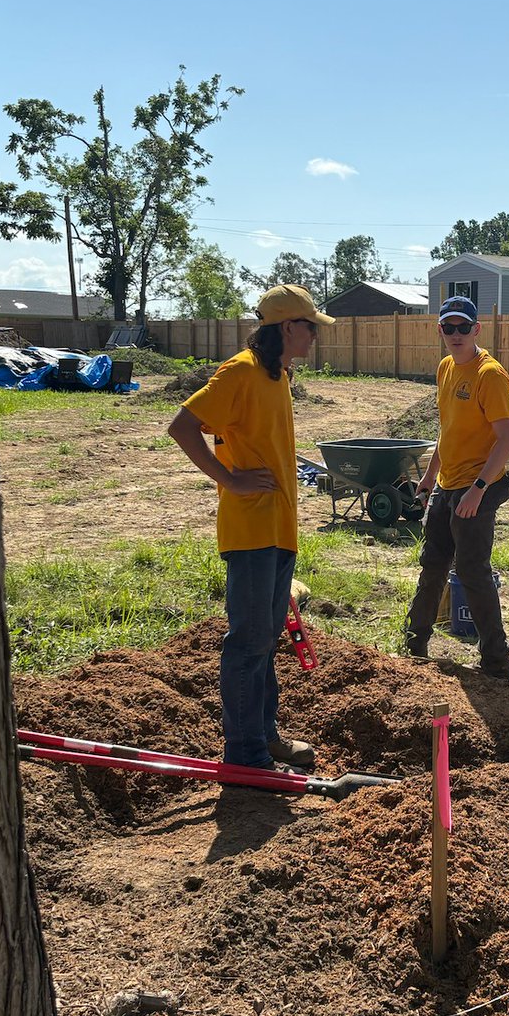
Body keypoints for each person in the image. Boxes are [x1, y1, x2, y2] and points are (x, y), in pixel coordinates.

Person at [167, 285, 335, 769]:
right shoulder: (239, 372)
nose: (314, 337)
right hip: (251, 530)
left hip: (280, 528)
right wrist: (228, 479)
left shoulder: (277, 374)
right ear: (287, 327)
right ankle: (245, 753)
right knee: (248, 642)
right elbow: (183, 426)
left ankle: (265, 736)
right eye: (310, 327)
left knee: (264, 639)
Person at [404, 295, 509, 680]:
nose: (455, 334)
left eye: (462, 327)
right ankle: (414, 643)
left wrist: (478, 489)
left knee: (472, 571)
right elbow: (447, 430)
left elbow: (507, 440)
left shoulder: (490, 375)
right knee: (432, 565)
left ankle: (497, 664)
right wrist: (430, 476)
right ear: (440, 330)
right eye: (448, 327)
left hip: (478, 486)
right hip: (447, 484)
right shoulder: (446, 368)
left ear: (476, 329)